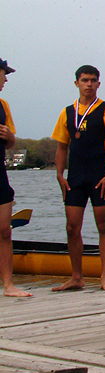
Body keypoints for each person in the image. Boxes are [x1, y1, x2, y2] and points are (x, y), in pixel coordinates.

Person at [50, 65, 105, 291]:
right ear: (77, 83)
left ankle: (104, 277)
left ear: (98, 84)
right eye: (84, 80)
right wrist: (59, 174)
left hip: (99, 176)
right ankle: (76, 277)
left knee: (103, 225)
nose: (89, 84)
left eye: (93, 80)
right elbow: (62, 146)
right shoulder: (67, 112)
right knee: (72, 227)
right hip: (75, 177)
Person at [0, 58, 30, 297]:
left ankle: (8, 285)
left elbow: (11, 143)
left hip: (0, 176)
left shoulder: (3, 105)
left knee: (5, 230)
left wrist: (9, 135)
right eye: (4, 74)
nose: (6, 79)